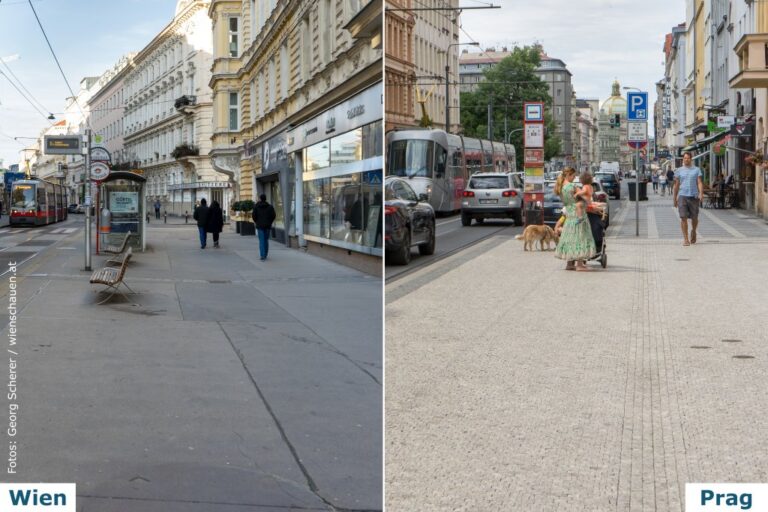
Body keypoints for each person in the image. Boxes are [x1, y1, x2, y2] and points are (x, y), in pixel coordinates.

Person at [554, 167, 596, 271]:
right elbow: (585, 197)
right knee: (580, 237)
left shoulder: (560, 188)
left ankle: (569, 264)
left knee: (570, 239)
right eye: (573, 176)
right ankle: (580, 264)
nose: (574, 178)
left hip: (569, 216)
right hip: (578, 214)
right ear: (568, 175)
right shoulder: (572, 186)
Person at [673, 151, 704, 246]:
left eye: (688, 158)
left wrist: (701, 193)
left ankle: (693, 231)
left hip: (694, 196)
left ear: (691, 159)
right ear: (683, 159)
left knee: (694, 218)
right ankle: (686, 239)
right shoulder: (679, 170)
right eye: (685, 158)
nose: (686, 159)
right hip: (682, 196)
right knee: (683, 218)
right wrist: (674, 198)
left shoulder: (696, 169)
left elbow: (699, 182)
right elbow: (676, 184)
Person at [252, 193, 276, 261]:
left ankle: (262, 255)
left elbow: (254, 216)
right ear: (265, 199)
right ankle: (265, 253)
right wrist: (270, 222)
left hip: (260, 226)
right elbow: (273, 216)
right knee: (266, 240)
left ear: (260, 199)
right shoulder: (270, 207)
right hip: (267, 226)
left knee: (261, 240)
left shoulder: (256, 206)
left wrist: (257, 222)